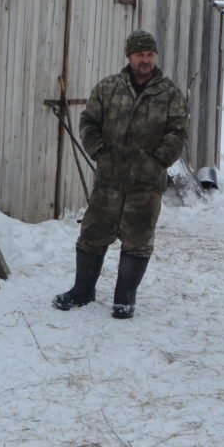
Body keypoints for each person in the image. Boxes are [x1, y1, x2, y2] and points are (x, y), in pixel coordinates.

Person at [52, 30, 188, 319]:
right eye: (140, 54)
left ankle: (125, 298)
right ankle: (82, 290)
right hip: (109, 181)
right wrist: (100, 152)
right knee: (93, 234)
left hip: (146, 183)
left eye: (150, 54)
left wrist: (158, 160)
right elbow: (88, 121)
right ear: (129, 56)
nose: (146, 60)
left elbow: (178, 131)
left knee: (138, 240)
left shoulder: (169, 93)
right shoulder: (108, 88)